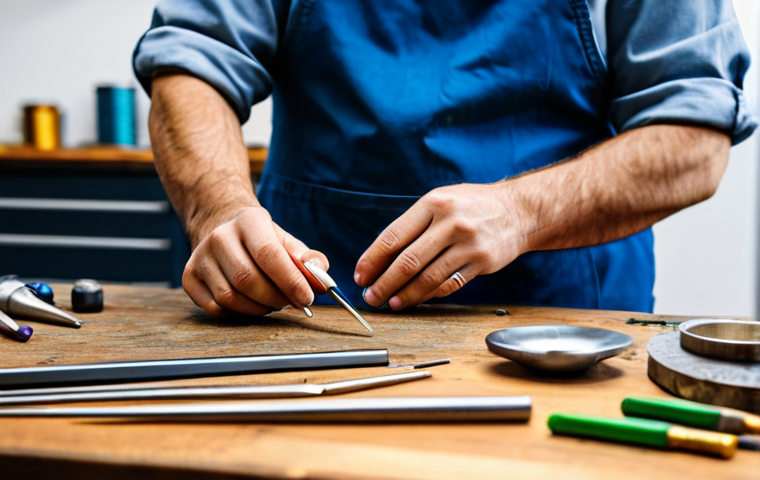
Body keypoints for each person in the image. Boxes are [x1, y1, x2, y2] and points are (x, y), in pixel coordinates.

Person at [134, 0, 756, 317]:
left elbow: (693, 143)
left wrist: (521, 211)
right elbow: (194, 60)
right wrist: (217, 209)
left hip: (566, 328)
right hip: (306, 317)